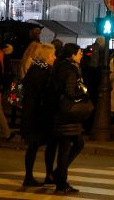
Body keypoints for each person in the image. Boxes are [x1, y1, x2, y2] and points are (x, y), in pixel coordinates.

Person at [52, 43, 87, 195]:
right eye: (79, 53)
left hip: (61, 112)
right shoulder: (71, 71)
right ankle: (60, 182)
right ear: (72, 55)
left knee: (75, 143)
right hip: (67, 114)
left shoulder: (59, 67)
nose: (81, 55)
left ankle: (59, 174)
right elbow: (70, 93)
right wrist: (83, 95)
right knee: (67, 147)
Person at [21, 43, 57, 187]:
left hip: (32, 113)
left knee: (35, 146)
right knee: (41, 145)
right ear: (46, 56)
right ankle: (38, 175)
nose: (54, 58)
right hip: (38, 115)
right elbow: (45, 94)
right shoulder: (44, 72)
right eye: (52, 55)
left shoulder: (34, 69)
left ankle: (31, 175)